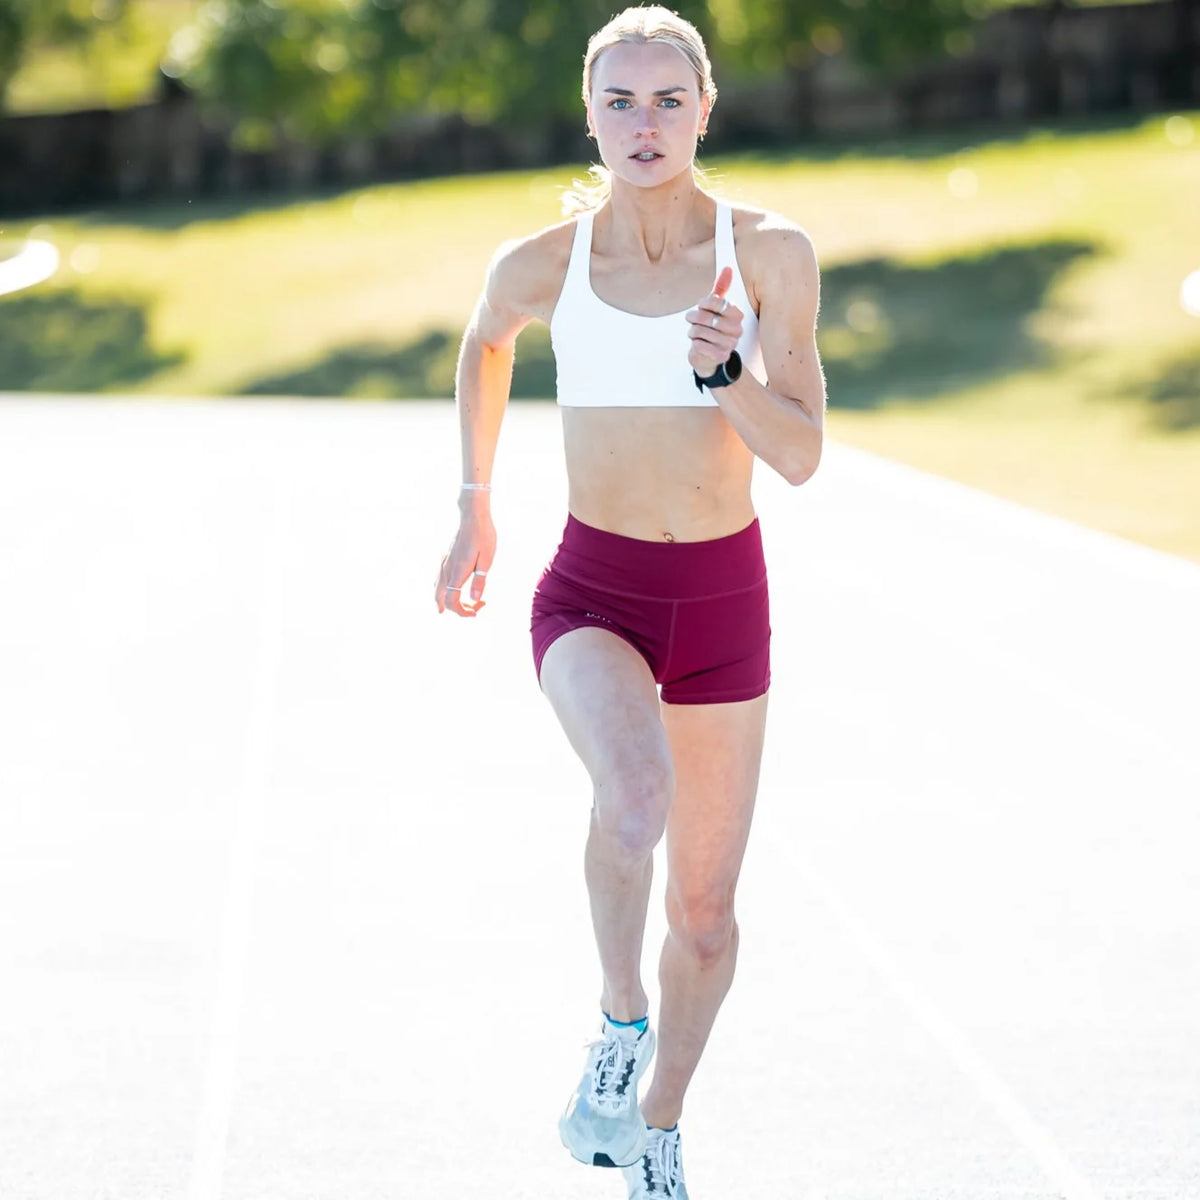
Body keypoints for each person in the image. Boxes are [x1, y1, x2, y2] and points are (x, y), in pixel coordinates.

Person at [435, 6, 825, 1196]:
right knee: (635, 797)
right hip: (593, 587)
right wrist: (475, 501)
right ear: (588, 113)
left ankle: (652, 1126)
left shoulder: (767, 254)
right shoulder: (543, 262)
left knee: (705, 916)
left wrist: (728, 377)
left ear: (706, 109)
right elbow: (485, 342)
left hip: (720, 601)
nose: (643, 124)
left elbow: (801, 455)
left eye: (667, 101)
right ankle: (618, 1025)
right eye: (620, 101)